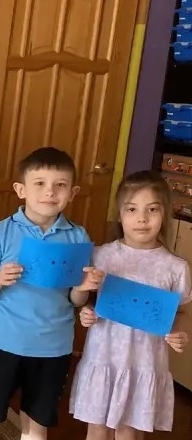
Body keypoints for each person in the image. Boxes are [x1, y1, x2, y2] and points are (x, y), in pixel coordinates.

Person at [0, 147, 103, 440]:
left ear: (73, 192)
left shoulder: (77, 236)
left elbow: (76, 300)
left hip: (54, 347)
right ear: (21, 190)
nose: (49, 192)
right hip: (4, 343)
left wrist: (82, 288)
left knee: (36, 424)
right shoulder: (1, 232)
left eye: (60, 185)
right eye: (39, 183)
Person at [70, 171, 192, 439]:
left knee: (129, 432)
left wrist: (178, 332)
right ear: (120, 213)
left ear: (165, 214)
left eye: (152, 209)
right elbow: (86, 300)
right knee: (97, 429)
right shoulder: (101, 255)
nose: (142, 218)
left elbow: (180, 310)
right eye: (132, 209)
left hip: (144, 362)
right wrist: (85, 311)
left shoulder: (175, 267)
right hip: (103, 358)